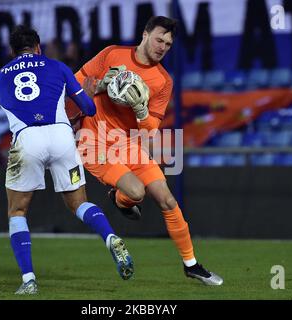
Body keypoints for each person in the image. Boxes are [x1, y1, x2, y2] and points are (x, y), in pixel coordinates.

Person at [74, 16, 223, 285]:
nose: (163, 46)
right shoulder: (112, 54)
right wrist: (99, 86)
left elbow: (150, 129)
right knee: (136, 192)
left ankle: (191, 265)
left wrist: (141, 110)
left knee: (166, 199)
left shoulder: (163, 81)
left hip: (129, 143)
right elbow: (75, 85)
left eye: (168, 43)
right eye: (159, 39)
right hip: (93, 142)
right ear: (145, 34)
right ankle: (121, 199)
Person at [0, 25, 134, 295]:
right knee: (79, 204)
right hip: (61, 136)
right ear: (38, 48)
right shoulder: (57, 67)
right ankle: (111, 237)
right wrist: (90, 94)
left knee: (18, 211)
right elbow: (89, 110)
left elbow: (17, 106)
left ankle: (29, 280)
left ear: (12, 52)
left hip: (26, 139)